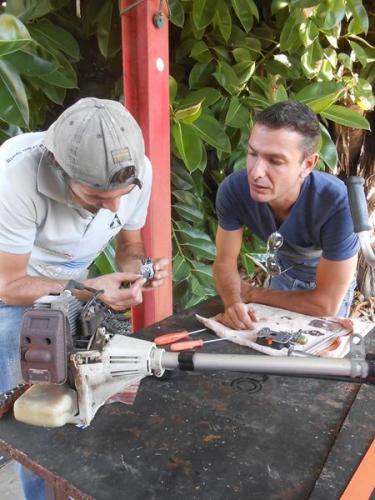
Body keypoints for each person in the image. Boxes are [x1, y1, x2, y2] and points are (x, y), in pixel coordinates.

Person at [0, 97, 169, 499]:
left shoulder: (137, 170)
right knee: (36, 413)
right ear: (60, 169)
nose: (113, 207)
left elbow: (129, 243)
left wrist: (133, 275)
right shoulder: (14, 177)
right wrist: (89, 289)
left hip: (73, 289)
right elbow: (8, 284)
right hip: (10, 295)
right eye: (97, 197)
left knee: (87, 399)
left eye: (122, 195)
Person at [213, 100, 358, 330]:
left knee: (315, 361)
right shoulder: (234, 190)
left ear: (308, 164)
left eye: (275, 161)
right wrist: (234, 304)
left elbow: (325, 304)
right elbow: (224, 261)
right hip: (284, 269)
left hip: (327, 284)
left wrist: (252, 293)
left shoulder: (338, 203)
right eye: (253, 153)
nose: (256, 172)